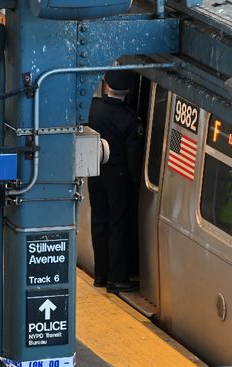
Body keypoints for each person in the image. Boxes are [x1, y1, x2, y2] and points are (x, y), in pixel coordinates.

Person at [86, 70, 143, 294]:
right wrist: (137, 185)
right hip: (118, 179)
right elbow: (134, 161)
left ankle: (101, 274)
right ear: (128, 91)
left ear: (105, 85)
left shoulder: (93, 108)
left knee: (99, 222)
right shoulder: (130, 120)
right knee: (118, 226)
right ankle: (117, 278)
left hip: (95, 172)